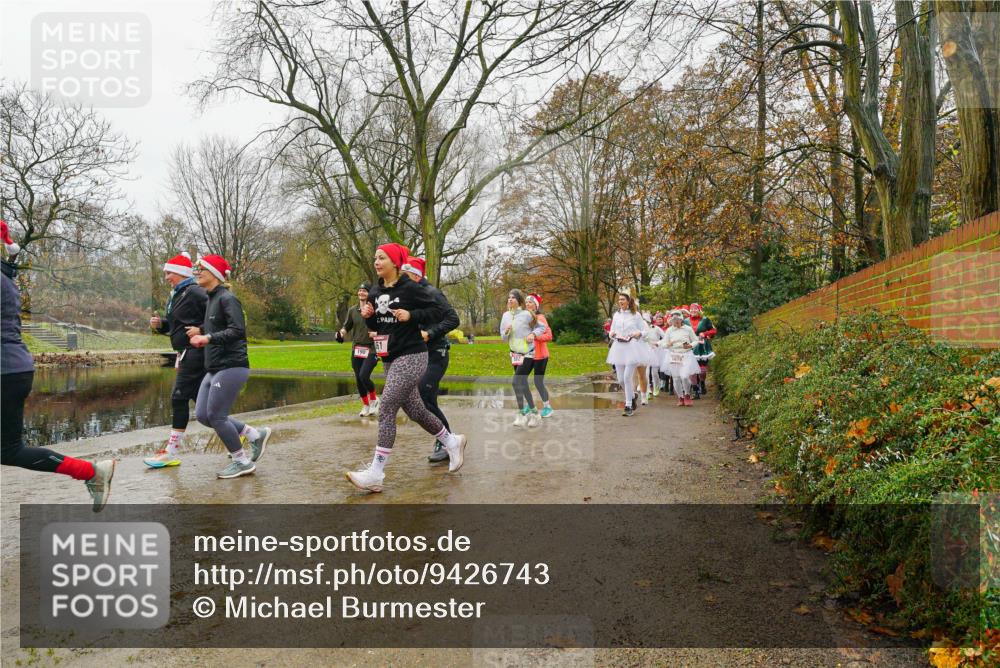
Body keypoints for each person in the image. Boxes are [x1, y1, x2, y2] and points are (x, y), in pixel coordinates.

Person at [0, 220, 115, 511]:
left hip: (6, 372)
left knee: (9, 450)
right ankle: (91, 472)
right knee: (8, 450)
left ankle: (91, 472)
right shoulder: (5, 276)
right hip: (12, 368)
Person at [346, 243, 467, 492]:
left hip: (413, 356)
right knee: (416, 411)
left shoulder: (411, 288)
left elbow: (439, 311)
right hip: (390, 357)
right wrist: (369, 316)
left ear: (395, 262)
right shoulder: (376, 290)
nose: (376, 262)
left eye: (382, 258)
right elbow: (379, 325)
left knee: (387, 407)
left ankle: (376, 473)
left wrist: (412, 316)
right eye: (375, 257)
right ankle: (451, 441)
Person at [186, 254, 271, 479]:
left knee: (216, 415)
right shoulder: (211, 299)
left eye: (201, 269)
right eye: (196, 269)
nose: (197, 273)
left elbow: (237, 331)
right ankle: (254, 434)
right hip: (214, 367)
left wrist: (208, 337)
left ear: (214, 273)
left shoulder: (228, 298)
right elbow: (216, 324)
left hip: (232, 365)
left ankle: (241, 461)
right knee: (203, 415)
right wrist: (200, 330)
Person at [144, 252, 209, 468]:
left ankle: (170, 452)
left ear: (181, 273)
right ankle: (246, 434)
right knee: (205, 406)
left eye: (169, 273)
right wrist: (162, 324)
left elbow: (220, 316)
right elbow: (178, 324)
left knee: (178, 398)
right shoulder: (179, 293)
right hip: (185, 352)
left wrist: (202, 329)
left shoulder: (196, 291)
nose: (166, 278)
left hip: (195, 351)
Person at [399, 258, 461, 465]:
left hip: (436, 353)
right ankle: (446, 441)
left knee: (423, 396)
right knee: (427, 400)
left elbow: (453, 319)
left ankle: (447, 442)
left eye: (405, 276)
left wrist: (430, 333)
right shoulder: (411, 296)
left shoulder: (432, 293)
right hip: (419, 355)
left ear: (416, 276)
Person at [500, 289, 543, 427]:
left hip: (528, 353)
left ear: (519, 300)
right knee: (522, 384)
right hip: (515, 353)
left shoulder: (526, 314)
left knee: (516, 382)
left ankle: (530, 414)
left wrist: (533, 335)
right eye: (509, 297)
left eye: (513, 297)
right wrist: (506, 332)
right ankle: (527, 414)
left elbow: (541, 328)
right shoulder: (506, 315)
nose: (510, 299)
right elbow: (503, 337)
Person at [338, 282, 379, 417]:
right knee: (358, 378)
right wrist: (341, 333)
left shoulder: (375, 310)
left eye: (364, 291)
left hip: (372, 348)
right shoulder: (352, 310)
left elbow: (384, 328)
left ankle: (374, 400)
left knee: (364, 375)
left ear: (369, 294)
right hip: (357, 348)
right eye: (360, 290)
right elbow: (346, 326)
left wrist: (376, 334)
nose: (361, 292)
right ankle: (365, 405)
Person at [606, 293, 646, 417]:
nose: (620, 301)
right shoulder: (616, 315)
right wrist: (611, 334)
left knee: (627, 377)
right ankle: (633, 396)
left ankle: (628, 405)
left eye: (623, 299)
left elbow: (645, 331)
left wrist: (639, 333)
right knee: (621, 379)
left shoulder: (636, 315)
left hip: (632, 347)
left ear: (628, 301)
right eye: (619, 300)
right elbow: (611, 330)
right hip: (619, 348)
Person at [661, 310, 700, 407]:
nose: (676, 322)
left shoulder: (688, 329)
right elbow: (663, 344)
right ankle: (680, 397)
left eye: (677, 320)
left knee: (685, 376)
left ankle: (687, 395)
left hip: (686, 354)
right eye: (674, 321)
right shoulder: (669, 330)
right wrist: (668, 344)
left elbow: (696, 340)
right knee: (676, 378)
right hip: (674, 355)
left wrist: (690, 345)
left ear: (681, 320)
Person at [525, 293, 554, 418]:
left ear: (536, 305)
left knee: (538, 382)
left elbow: (549, 336)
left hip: (540, 356)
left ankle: (547, 407)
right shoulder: (525, 318)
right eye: (526, 302)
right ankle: (530, 405)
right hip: (528, 354)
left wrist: (535, 336)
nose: (527, 304)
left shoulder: (540, 318)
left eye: (530, 302)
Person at [689, 303, 717, 398]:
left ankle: (702, 383)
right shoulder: (685, 321)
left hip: (702, 346)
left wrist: (705, 334)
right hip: (690, 346)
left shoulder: (705, 320)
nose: (693, 310)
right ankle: (695, 390)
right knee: (692, 369)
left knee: (702, 369)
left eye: (695, 309)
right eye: (691, 309)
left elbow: (714, 330)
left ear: (699, 310)